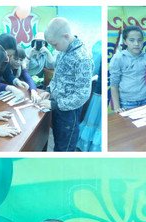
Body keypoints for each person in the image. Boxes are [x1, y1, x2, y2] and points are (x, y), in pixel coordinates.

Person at [37, 17, 93, 152]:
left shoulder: (82, 58)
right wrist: (49, 90)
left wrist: (55, 105)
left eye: (55, 44)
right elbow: (57, 76)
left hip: (69, 112)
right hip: (57, 105)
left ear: (66, 36)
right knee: (58, 140)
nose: (54, 48)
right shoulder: (63, 50)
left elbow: (82, 94)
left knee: (65, 147)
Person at [109, 25, 146, 111]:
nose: (136, 44)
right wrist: (117, 107)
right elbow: (114, 84)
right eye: (132, 40)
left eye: (139, 40)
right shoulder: (118, 58)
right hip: (127, 103)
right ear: (125, 41)